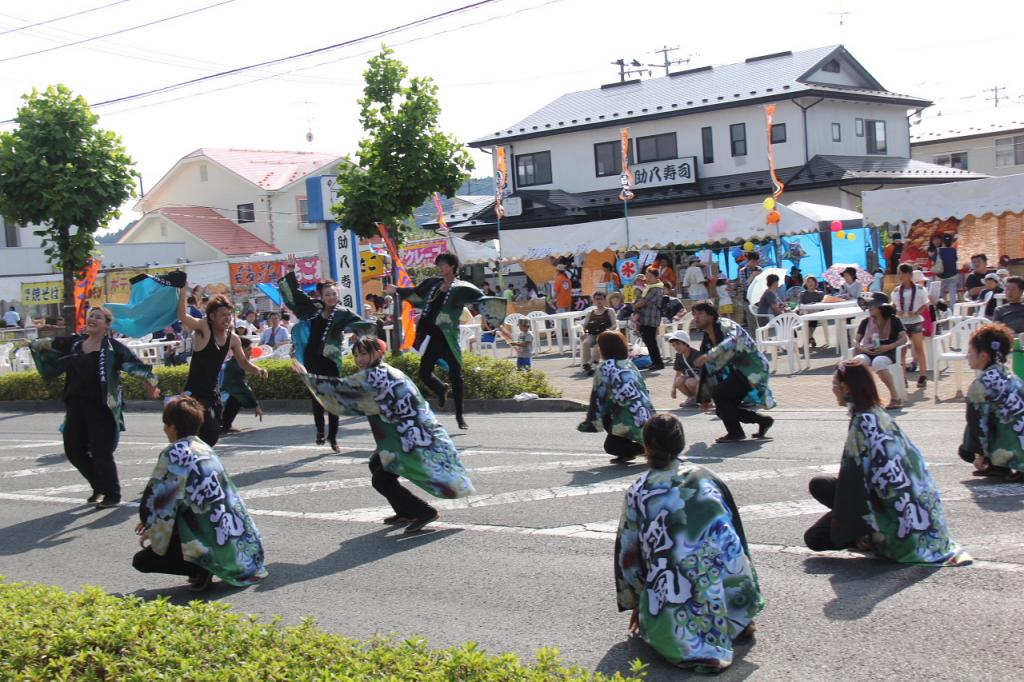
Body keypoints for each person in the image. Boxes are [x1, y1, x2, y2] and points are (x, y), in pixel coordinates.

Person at [615, 413, 764, 673]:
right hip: (723, 577)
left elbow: (629, 556)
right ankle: (739, 616)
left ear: (646, 446)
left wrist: (639, 602)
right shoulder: (706, 477)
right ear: (681, 444)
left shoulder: (639, 491)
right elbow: (736, 532)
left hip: (675, 589)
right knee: (724, 548)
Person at [295, 337, 475, 533]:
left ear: (379, 352)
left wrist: (307, 377)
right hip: (408, 433)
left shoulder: (376, 375)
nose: (359, 359)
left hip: (410, 437)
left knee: (381, 480)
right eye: (356, 355)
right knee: (376, 464)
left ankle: (424, 511)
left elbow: (340, 393)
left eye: (364, 353)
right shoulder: (386, 371)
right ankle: (404, 511)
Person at [805, 359, 969, 565]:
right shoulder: (879, 414)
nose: (833, 390)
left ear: (846, 388)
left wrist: (858, 529)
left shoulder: (861, 424)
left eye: (835, 385)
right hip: (918, 511)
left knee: (814, 538)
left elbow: (853, 484)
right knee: (820, 485)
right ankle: (866, 532)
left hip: (894, 519)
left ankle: (871, 538)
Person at [27, 306, 160, 509]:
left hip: (102, 406)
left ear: (107, 325)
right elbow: (50, 344)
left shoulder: (114, 348)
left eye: (98, 317)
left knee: (101, 452)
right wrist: (34, 344)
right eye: (91, 315)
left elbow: (134, 365)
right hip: (76, 404)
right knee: (73, 450)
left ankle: (112, 494)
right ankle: (98, 485)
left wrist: (150, 383)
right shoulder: (74, 343)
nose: (93, 319)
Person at [133, 396, 267, 591]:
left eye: (165, 424)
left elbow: (158, 502)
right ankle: (204, 566)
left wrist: (152, 525)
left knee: (142, 560)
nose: (164, 430)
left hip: (212, 542)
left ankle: (200, 567)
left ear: (172, 427)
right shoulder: (205, 448)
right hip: (242, 548)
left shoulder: (174, 453)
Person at [280, 266, 373, 452]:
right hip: (312, 359)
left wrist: (363, 330)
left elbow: (362, 324)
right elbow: (294, 295)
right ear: (321, 296)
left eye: (333, 294)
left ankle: (333, 437)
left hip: (331, 360)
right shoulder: (312, 310)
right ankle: (320, 431)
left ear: (337, 296)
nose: (331, 297)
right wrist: (291, 273)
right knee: (317, 397)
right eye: (327, 294)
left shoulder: (342, 313)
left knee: (333, 399)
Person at [386, 252, 483, 430]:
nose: (440, 267)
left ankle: (460, 417)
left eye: (443, 264)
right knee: (424, 373)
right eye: (438, 264)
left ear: (452, 266)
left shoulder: (461, 287)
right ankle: (441, 389)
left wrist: (493, 311)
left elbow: (481, 298)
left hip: (447, 338)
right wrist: (397, 290)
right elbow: (415, 295)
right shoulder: (432, 283)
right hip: (430, 336)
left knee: (457, 375)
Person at [179, 289, 267, 448]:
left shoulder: (233, 339)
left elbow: (243, 363)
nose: (227, 319)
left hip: (213, 392)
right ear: (212, 316)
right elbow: (183, 317)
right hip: (195, 392)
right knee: (207, 430)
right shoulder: (204, 329)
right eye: (223, 315)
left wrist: (258, 369)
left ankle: (196, 456)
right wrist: (181, 290)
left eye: (229, 315)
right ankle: (192, 457)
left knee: (213, 433)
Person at [691, 302, 775, 443]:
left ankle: (735, 433)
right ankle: (763, 421)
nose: (695, 318)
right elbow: (707, 370)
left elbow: (735, 340)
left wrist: (711, 354)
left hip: (753, 368)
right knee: (723, 409)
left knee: (719, 394)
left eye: (700, 313)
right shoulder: (706, 340)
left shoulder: (725, 325)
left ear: (711, 316)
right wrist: (704, 399)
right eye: (694, 314)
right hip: (739, 372)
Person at [577, 331, 655, 463]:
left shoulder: (604, 368)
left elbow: (598, 398)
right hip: (648, 417)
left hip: (629, 419)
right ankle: (644, 447)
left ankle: (645, 449)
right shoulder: (630, 364)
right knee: (614, 408)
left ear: (605, 349)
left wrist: (590, 422)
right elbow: (644, 389)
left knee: (611, 446)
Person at [960, 323, 1024, 481]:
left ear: (983, 356)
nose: (967, 355)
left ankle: (1002, 464)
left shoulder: (980, 385)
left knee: (967, 445)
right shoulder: (1011, 375)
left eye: (970, 352)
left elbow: (977, 424)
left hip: (1014, 448)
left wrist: (979, 454)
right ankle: (1000, 465)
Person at [853, 292, 908, 409]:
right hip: (868, 350)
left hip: (887, 351)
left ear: (881, 307)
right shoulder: (865, 322)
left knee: (878, 362)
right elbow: (855, 340)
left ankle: (895, 397)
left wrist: (888, 347)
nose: (869, 307)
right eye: (869, 305)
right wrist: (861, 348)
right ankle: (866, 398)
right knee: (857, 363)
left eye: (872, 305)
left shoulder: (894, 321)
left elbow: (904, 338)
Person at [891, 264, 929, 388]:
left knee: (919, 348)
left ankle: (923, 375)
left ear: (909, 274)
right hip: (902, 322)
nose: (899, 276)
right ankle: (903, 377)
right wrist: (897, 312)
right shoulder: (896, 291)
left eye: (901, 273)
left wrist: (917, 312)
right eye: (899, 273)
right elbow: (893, 306)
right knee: (901, 350)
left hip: (915, 321)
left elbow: (925, 304)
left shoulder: (919, 289)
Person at [220, 336, 264, 434]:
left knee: (236, 396)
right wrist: (256, 406)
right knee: (236, 397)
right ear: (240, 350)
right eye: (248, 350)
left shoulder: (234, 363)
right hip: (217, 395)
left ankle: (225, 424)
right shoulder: (233, 365)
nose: (251, 353)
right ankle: (225, 425)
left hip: (220, 393)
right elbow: (242, 387)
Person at [633, 267, 665, 370]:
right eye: (647, 276)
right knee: (648, 340)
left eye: (650, 276)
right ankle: (654, 361)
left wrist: (635, 306)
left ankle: (658, 363)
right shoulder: (650, 287)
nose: (647, 278)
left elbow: (644, 301)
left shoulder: (656, 288)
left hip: (651, 317)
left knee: (651, 340)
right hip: (645, 317)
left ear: (656, 277)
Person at [580, 291, 616, 375]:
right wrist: (582, 331)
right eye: (596, 299)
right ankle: (587, 366)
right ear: (594, 301)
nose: (599, 301)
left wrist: (608, 330)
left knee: (597, 345)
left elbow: (615, 324)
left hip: (605, 334)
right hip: (592, 334)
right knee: (585, 343)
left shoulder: (609, 311)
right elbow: (584, 325)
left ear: (605, 300)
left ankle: (591, 364)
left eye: (601, 299)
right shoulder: (590, 313)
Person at [666, 330, 704, 408]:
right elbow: (678, 374)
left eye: (678, 344)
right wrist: (674, 388)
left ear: (686, 343)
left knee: (689, 381)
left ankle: (704, 400)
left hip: (705, 384)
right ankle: (692, 399)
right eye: (674, 345)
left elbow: (708, 374)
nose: (676, 347)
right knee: (678, 380)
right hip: (693, 382)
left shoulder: (697, 354)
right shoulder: (679, 356)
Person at [934, 233, 960, 303]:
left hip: (941, 276)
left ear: (942, 242)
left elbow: (934, 261)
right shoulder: (954, 251)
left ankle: (943, 312)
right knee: (953, 296)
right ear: (951, 242)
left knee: (941, 297)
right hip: (953, 275)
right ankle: (953, 311)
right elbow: (956, 260)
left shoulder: (938, 250)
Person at [800, 275, 825, 347]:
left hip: (816, 313)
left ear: (815, 283)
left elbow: (822, 304)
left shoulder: (820, 293)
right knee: (806, 320)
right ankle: (810, 338)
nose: (810, 283)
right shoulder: (803, 294)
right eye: (808, 282)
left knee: (813, 319)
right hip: (805, 313)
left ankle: (809, 338)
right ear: (805, 284)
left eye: (812, 281)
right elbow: (801, 304)